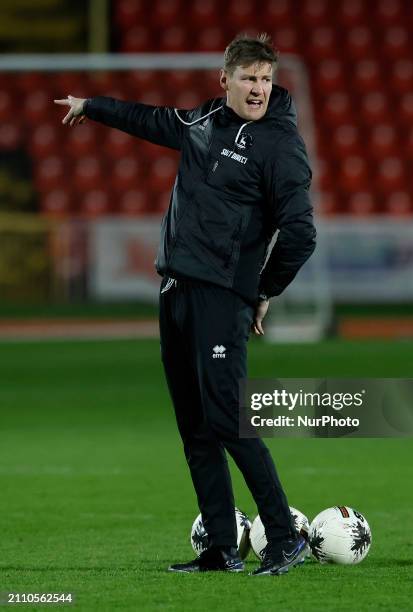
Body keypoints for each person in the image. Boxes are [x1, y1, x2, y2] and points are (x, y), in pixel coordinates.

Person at [55, 33, 316, 576]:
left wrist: (262, 290)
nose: (258, 89)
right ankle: (221, 546)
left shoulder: (280, 144)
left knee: (229, 420)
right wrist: (91, 107)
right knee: (195, 427)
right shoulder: (203, 123)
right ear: (225, 80)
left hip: (222, 297)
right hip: (176, 289)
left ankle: (285, 536)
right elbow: (148, 120)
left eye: (266, 79)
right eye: (248, 78)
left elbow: (300, 233)